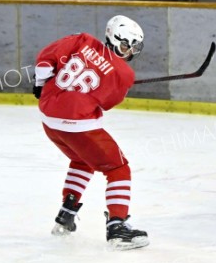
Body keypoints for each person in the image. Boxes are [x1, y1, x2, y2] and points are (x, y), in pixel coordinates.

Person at [32, 15, 149, 250]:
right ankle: (117, 227)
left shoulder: (81, 40)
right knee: (118, 168)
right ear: (112, 39)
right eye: (126, 45)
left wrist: (39, 84)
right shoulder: (125, 74)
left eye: (133, 47)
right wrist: (116, 80)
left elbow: (44, 62)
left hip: (49, 121)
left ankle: (66, 214)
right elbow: (106, 103)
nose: (129, 51)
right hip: (78, 126)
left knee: (82, 159)